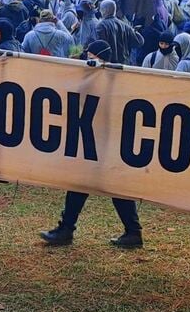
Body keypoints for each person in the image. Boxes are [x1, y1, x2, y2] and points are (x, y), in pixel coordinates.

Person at [40, 42, 143, 248]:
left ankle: (132, 233)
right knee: (81, 183)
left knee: (112, 186)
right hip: (92, 141)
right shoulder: (90, 78)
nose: (89, 59)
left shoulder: (114, 80)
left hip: (107, 142)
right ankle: (68, 228)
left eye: (93, 56)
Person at [95, 0, 144, 65]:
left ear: (104, 10)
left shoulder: (101, 26)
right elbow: (140, 41)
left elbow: (99, 46)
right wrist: (133, 30)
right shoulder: (125, 25)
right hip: (124, 64)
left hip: (108, 64)